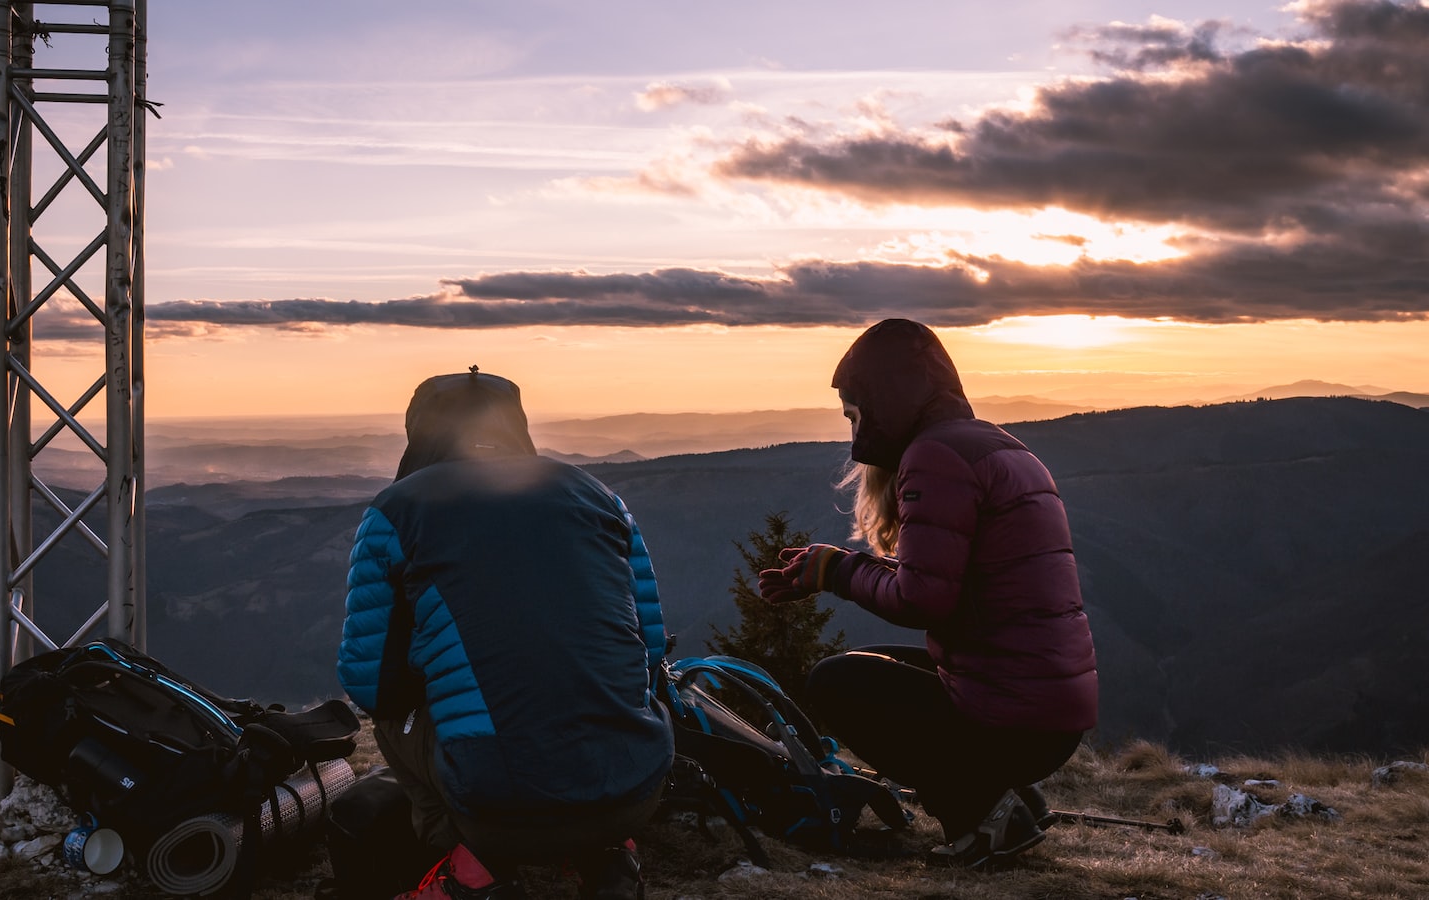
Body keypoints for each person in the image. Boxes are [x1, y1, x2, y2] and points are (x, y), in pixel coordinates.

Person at [757, 319, 1098, 869]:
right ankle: (1008, 797)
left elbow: (921, 600)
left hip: (1017, 719)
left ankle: (984, 817)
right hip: (1051, 710)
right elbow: (946, 577)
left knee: (837, 681)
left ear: (885, 402)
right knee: (882, 663)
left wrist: (837, 572)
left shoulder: (935, 456)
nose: (854, 435)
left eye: (855, 414)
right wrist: (834, 568)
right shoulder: (995, 445)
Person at [337, 368, 674, 900]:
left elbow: (371, 685)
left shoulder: (397, 511)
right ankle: (607, 854)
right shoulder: (600, 497)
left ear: (419, 430)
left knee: (392, 722)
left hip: (501, 808)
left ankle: (470, 869)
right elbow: (649, 651)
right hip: (636, 788)